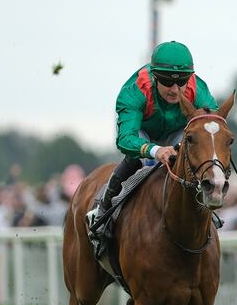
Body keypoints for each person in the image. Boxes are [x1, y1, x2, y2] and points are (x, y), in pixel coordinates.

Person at [87, 40, 218, 244]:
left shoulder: (198, 90)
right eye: (167, 82)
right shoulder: (135, 91)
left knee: (189, 154)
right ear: (154, 76)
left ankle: (205, 214)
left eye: (181, 81)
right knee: (136, 160)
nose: (175, 89)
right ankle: (103, 210)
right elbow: (125, 139)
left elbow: (212, 130)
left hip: (177, 132)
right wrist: (155, 150)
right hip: (142, 132)